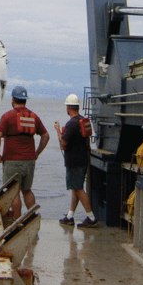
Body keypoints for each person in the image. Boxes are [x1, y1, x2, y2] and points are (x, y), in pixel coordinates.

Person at [0, 85, 50, 219]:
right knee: (27, 191)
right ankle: (32, 218)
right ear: (25, 100)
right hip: (29, 161)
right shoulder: (34, 117)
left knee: (13, 193)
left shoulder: (7, 116)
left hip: (12, 161)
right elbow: (46, 136)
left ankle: (17, 223)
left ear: (13, 99)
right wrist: (37, 153)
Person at [55, 93, 97, 228]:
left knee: (78, 188)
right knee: (75, 187)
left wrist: (58, 131)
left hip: (74, 162)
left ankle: (91, 217)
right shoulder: (83, 121)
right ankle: (70, 216)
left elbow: (64, 142)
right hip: (84, 159)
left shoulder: (71, 124)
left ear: (68, 108)